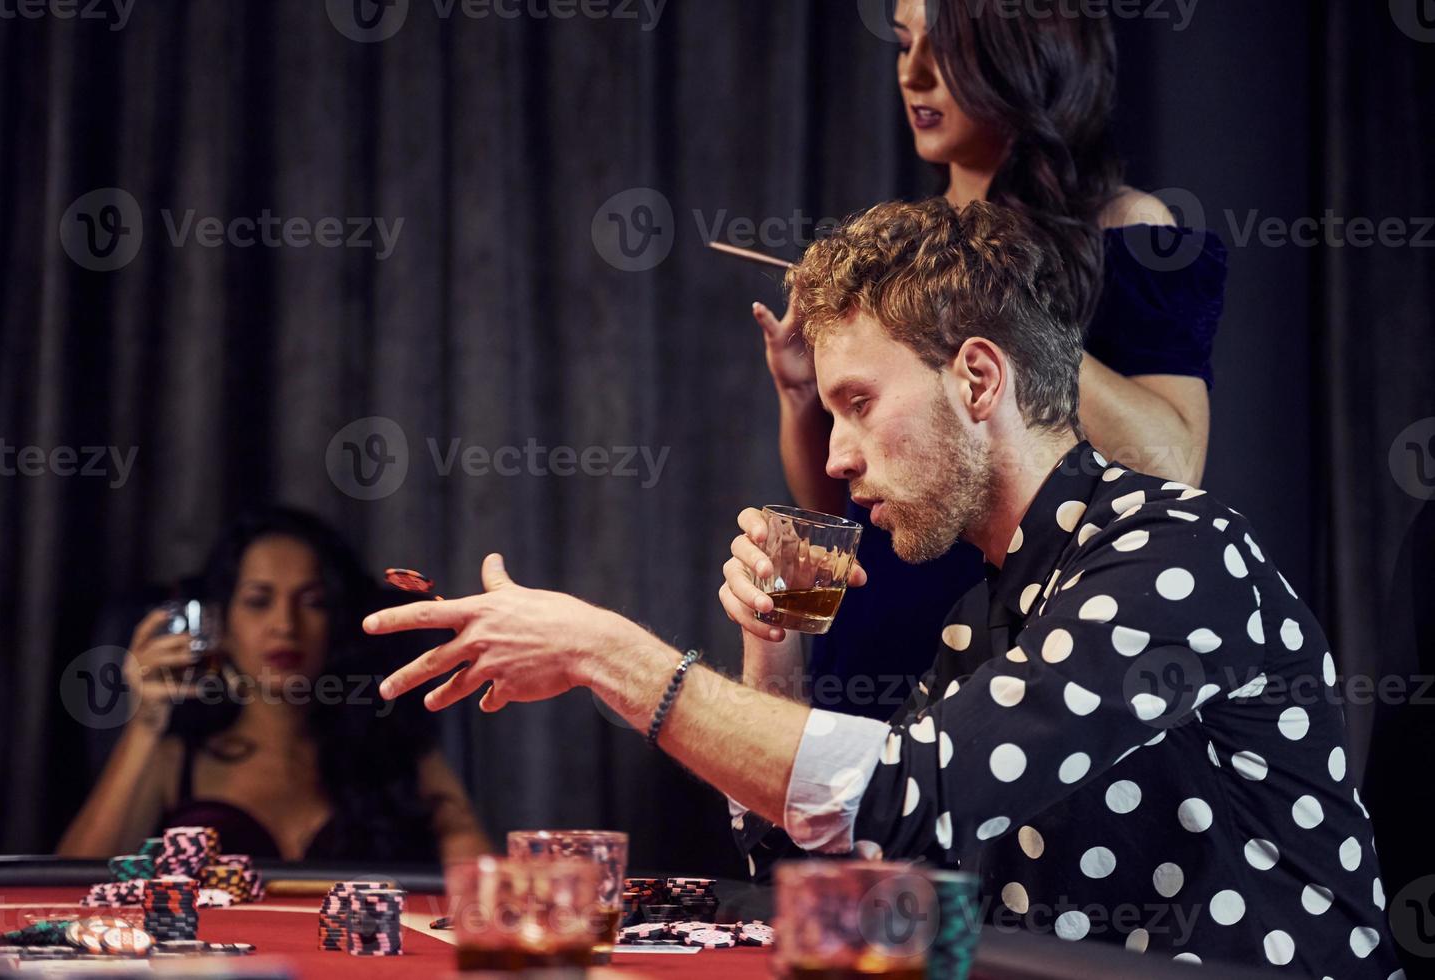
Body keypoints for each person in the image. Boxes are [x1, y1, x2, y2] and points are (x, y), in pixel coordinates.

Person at [365, 200, 1396, 974]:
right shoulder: (984, 609)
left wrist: (608, 652)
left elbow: (916, 795)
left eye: (858, 402)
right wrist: (775, 652)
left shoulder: (1175, 551)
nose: (838, 455)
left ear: (978, 379)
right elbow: (829, 850)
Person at [753, 0, 1227, 721]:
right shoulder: (910, 246)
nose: (912, 75)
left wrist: (988, 299)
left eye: (943, 48)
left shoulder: (1128, 229)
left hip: (1025, 636)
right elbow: (842, 499)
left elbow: (1172, 466)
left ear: (1027, 52)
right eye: (904, 45)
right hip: (874, 634)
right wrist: (801, 399)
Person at [58, 507, 490, 864]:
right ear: (221, 622)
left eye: (312, 602)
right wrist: (146, 723)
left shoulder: (398, 752)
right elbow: (65, 890)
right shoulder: (174, 759)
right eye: (258, 601)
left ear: (337, 621)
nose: (285, 625)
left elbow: (478, 889)